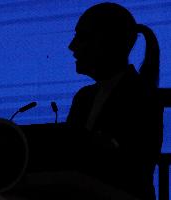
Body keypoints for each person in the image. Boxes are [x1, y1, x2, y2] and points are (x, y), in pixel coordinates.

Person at [66, 2, 163, 200]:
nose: (72, 46)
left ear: (108, 42)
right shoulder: (83, 97)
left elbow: (134, 169)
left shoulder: (142, 96)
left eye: (82, 37)